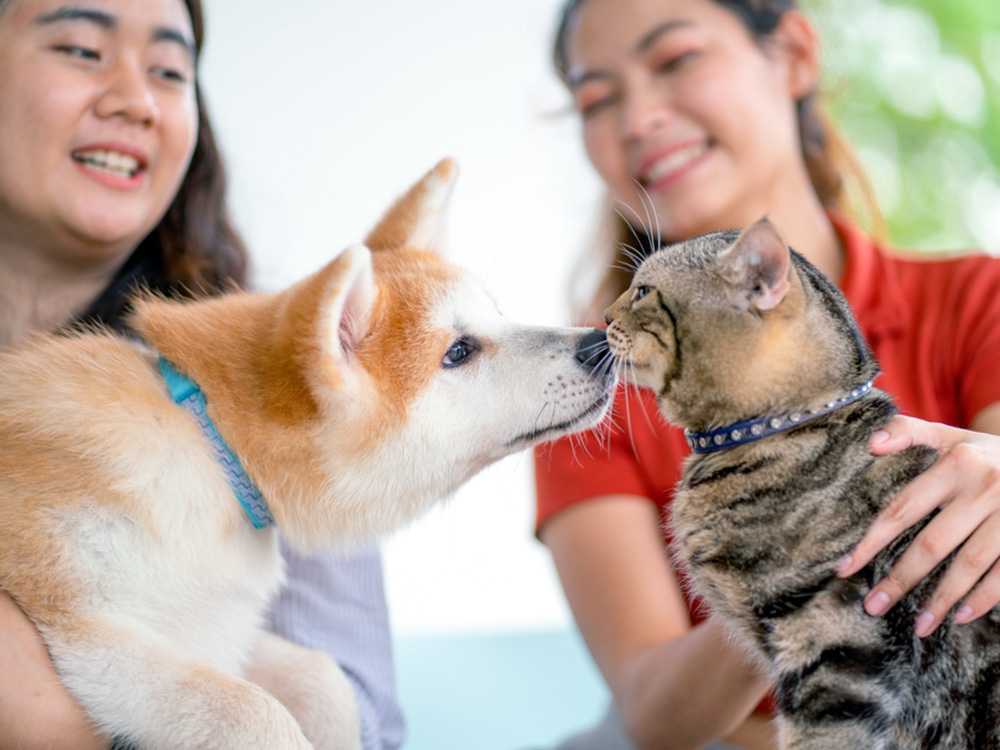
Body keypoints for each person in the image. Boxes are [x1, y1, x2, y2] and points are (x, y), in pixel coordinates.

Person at [533, 1, 1000, 749]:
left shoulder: (978, 302)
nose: (639, 118)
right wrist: (796, 566)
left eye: (677, 58)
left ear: (793, 53)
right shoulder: (595, 379)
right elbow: (651, 716)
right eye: (597, 99)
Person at [0, 1, 404, 748]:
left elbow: (361, 716)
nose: (137, 99)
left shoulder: (281, 369)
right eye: (80, 49)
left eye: (169, 70)